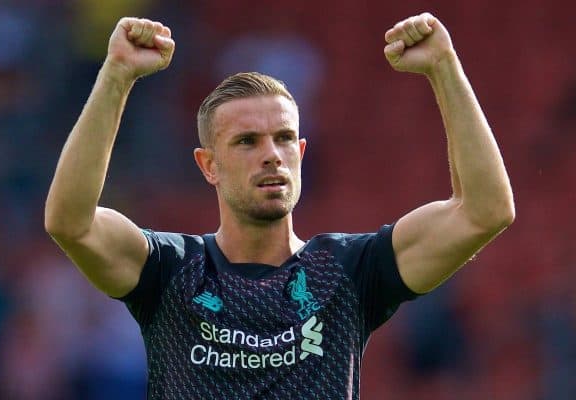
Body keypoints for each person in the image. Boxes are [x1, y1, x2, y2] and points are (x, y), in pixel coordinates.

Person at [45, 12, 514, 400]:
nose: (272, 153)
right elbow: (70, 222)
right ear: (208, 165)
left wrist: (445, 67)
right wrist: (117, 75)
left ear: (301, 152)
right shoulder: (170, 270)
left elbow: (485, 211)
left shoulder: (349, 272)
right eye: (247, 141)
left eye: (285, 138)